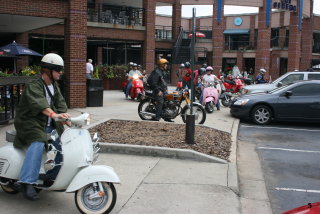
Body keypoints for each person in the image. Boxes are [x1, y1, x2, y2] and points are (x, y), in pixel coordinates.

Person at [13, 53, 70, 201]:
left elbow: (60, 103)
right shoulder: (34, 84)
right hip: (29, 122)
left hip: (48, 123)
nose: (60, 73)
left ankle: (50, 177)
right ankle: (27, 181)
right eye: (58, 70)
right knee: (38, 141)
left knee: (65, 144)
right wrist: (53, 115)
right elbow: (39, 103)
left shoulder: (54, 85)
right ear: (48, 70)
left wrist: (66, 118)